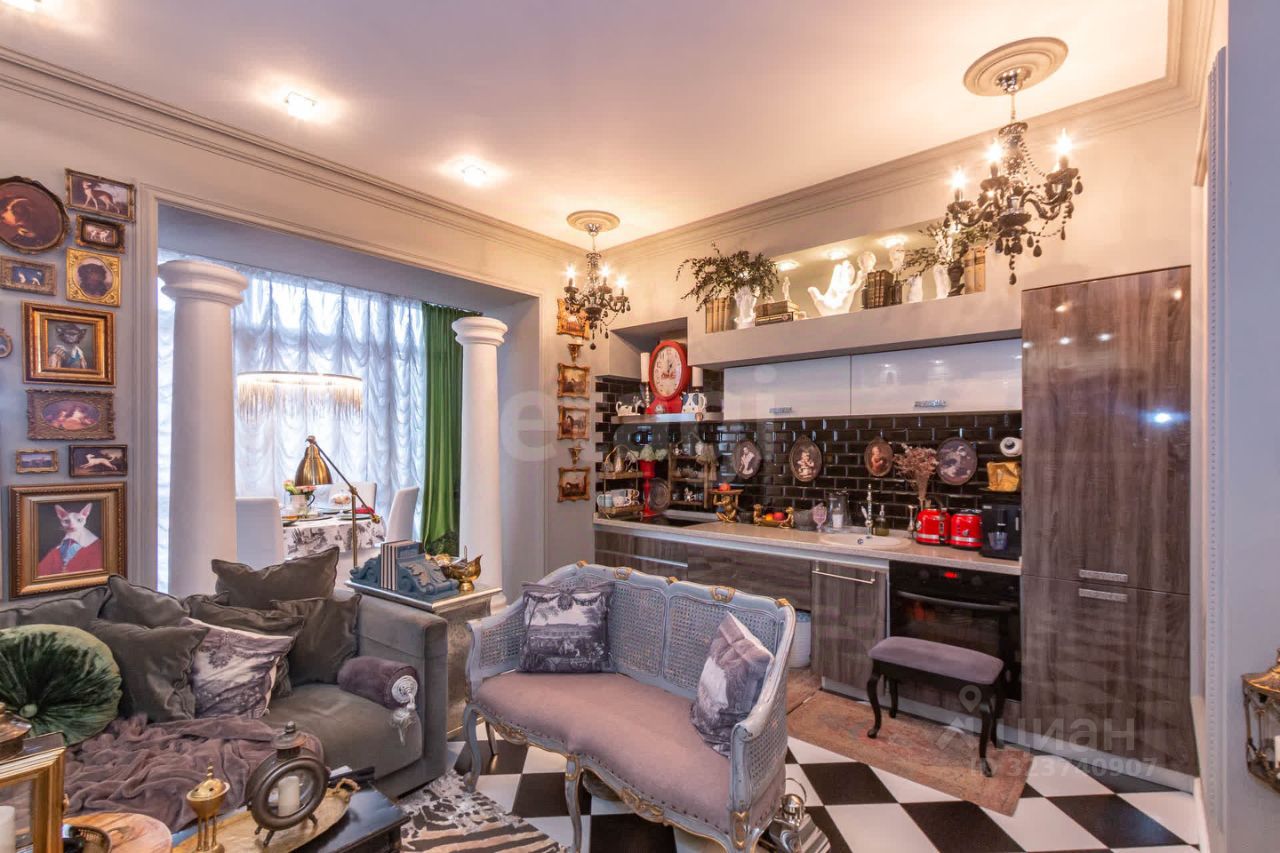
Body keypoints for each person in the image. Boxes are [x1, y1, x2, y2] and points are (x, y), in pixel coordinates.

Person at [37, 503, 103, 576]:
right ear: (60, 516)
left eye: (79, 520)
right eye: (67, 521)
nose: (72, 525)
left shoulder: (97, 546)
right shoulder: (57, 549)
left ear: (86, 515)